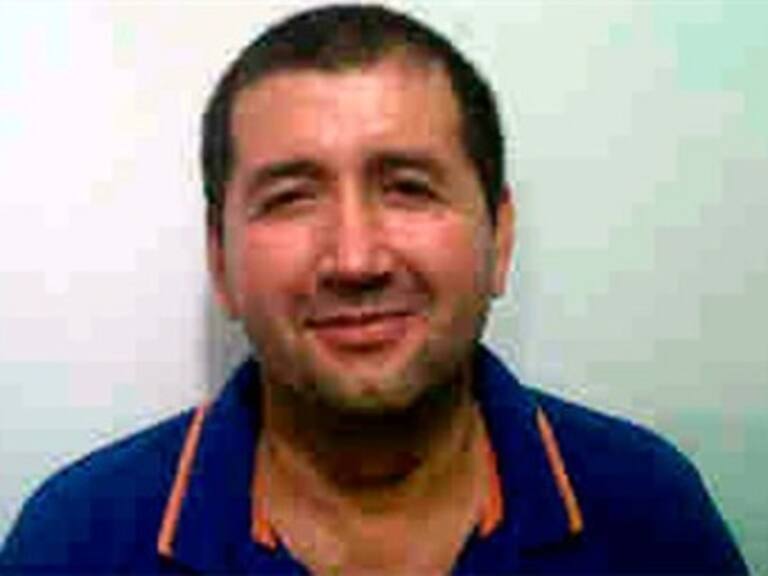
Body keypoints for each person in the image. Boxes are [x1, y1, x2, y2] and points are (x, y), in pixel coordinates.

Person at [0, 4, 746, 574]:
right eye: (291, 198)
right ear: (220, 260)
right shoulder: (73, 544)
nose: (355, 260)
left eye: (409, 188)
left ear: (499, 239)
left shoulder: (652, 514)